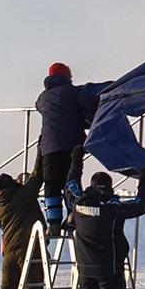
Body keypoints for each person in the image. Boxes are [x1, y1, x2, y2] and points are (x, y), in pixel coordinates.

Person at [35, 62, 107, 229]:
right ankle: (73, 214)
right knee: (72, 180)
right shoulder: (75, 92)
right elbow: (88, 107)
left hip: (49, 146)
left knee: (51, 183)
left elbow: (39, 107)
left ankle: (53, 221)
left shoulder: (42, 98)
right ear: (67, 77)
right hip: (73, 145)